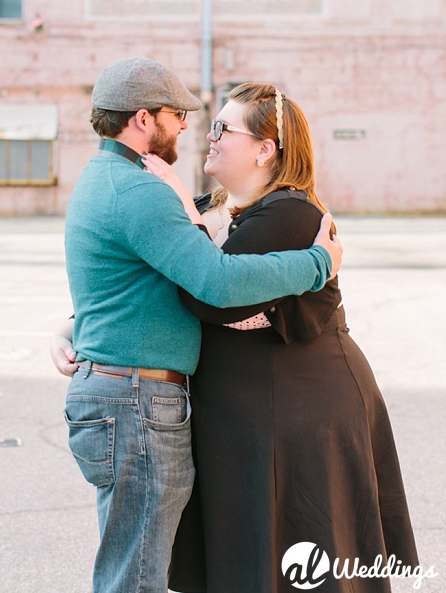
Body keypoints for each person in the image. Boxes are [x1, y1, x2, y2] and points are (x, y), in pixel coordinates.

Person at [59, 57, 343, 593]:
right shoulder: (140, 191)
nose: (188, 126)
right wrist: (318, 262)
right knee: (137, 575)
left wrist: (70, 330)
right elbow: (216, 284)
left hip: (119, 392)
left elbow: (127, 285)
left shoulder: (106, 178)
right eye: (178, 114)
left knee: (131, 562)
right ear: (144, 119)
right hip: (137, 399)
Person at [136, 83, 418, 592]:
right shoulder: (213, 207)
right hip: (243, 411)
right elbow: (153, 277)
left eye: (225, 128)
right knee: (247, 561)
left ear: (266, 149)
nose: (211, 136)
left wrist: (178, 201)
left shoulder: (291, 214)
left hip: (298, 411)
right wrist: (73, 326)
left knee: (298, 559)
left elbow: (210, 294)